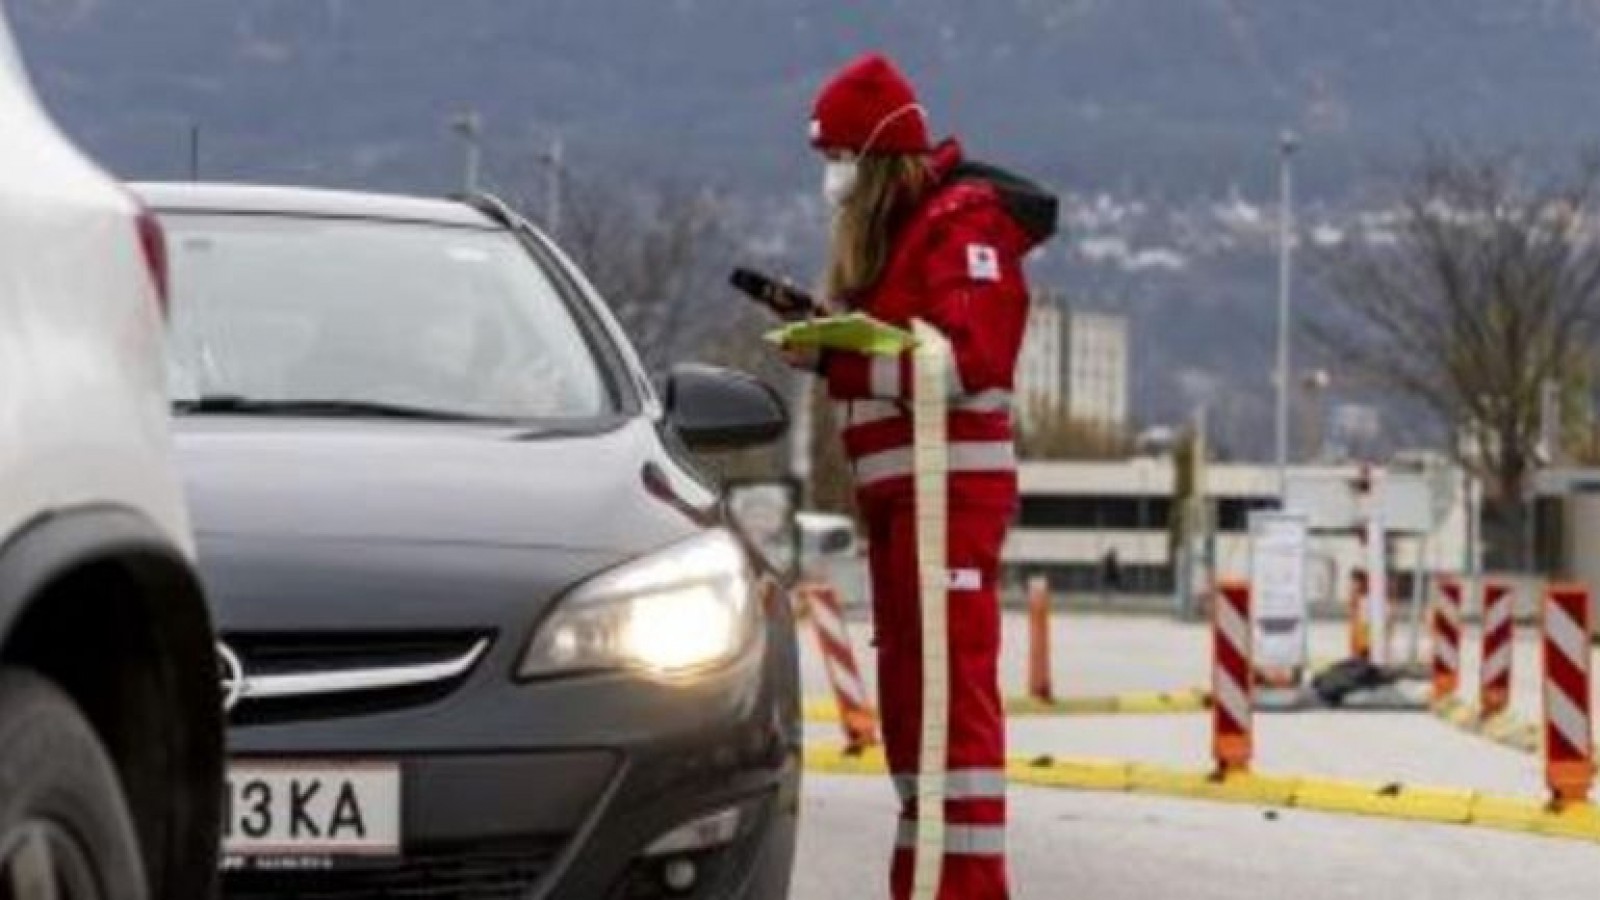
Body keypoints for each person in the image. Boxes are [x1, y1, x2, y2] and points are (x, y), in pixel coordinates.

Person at [781, 52, 1055, 900]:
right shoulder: (908, 230)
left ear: (879, 159)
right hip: (905, 504)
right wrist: (838, 337)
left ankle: (966, 886)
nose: (832, 180)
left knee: (949, 703)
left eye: (841, 161)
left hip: (947, 502)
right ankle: (927, 876)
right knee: (912, 705)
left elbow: (972, 359)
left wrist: (851, 359)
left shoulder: (963, 223)